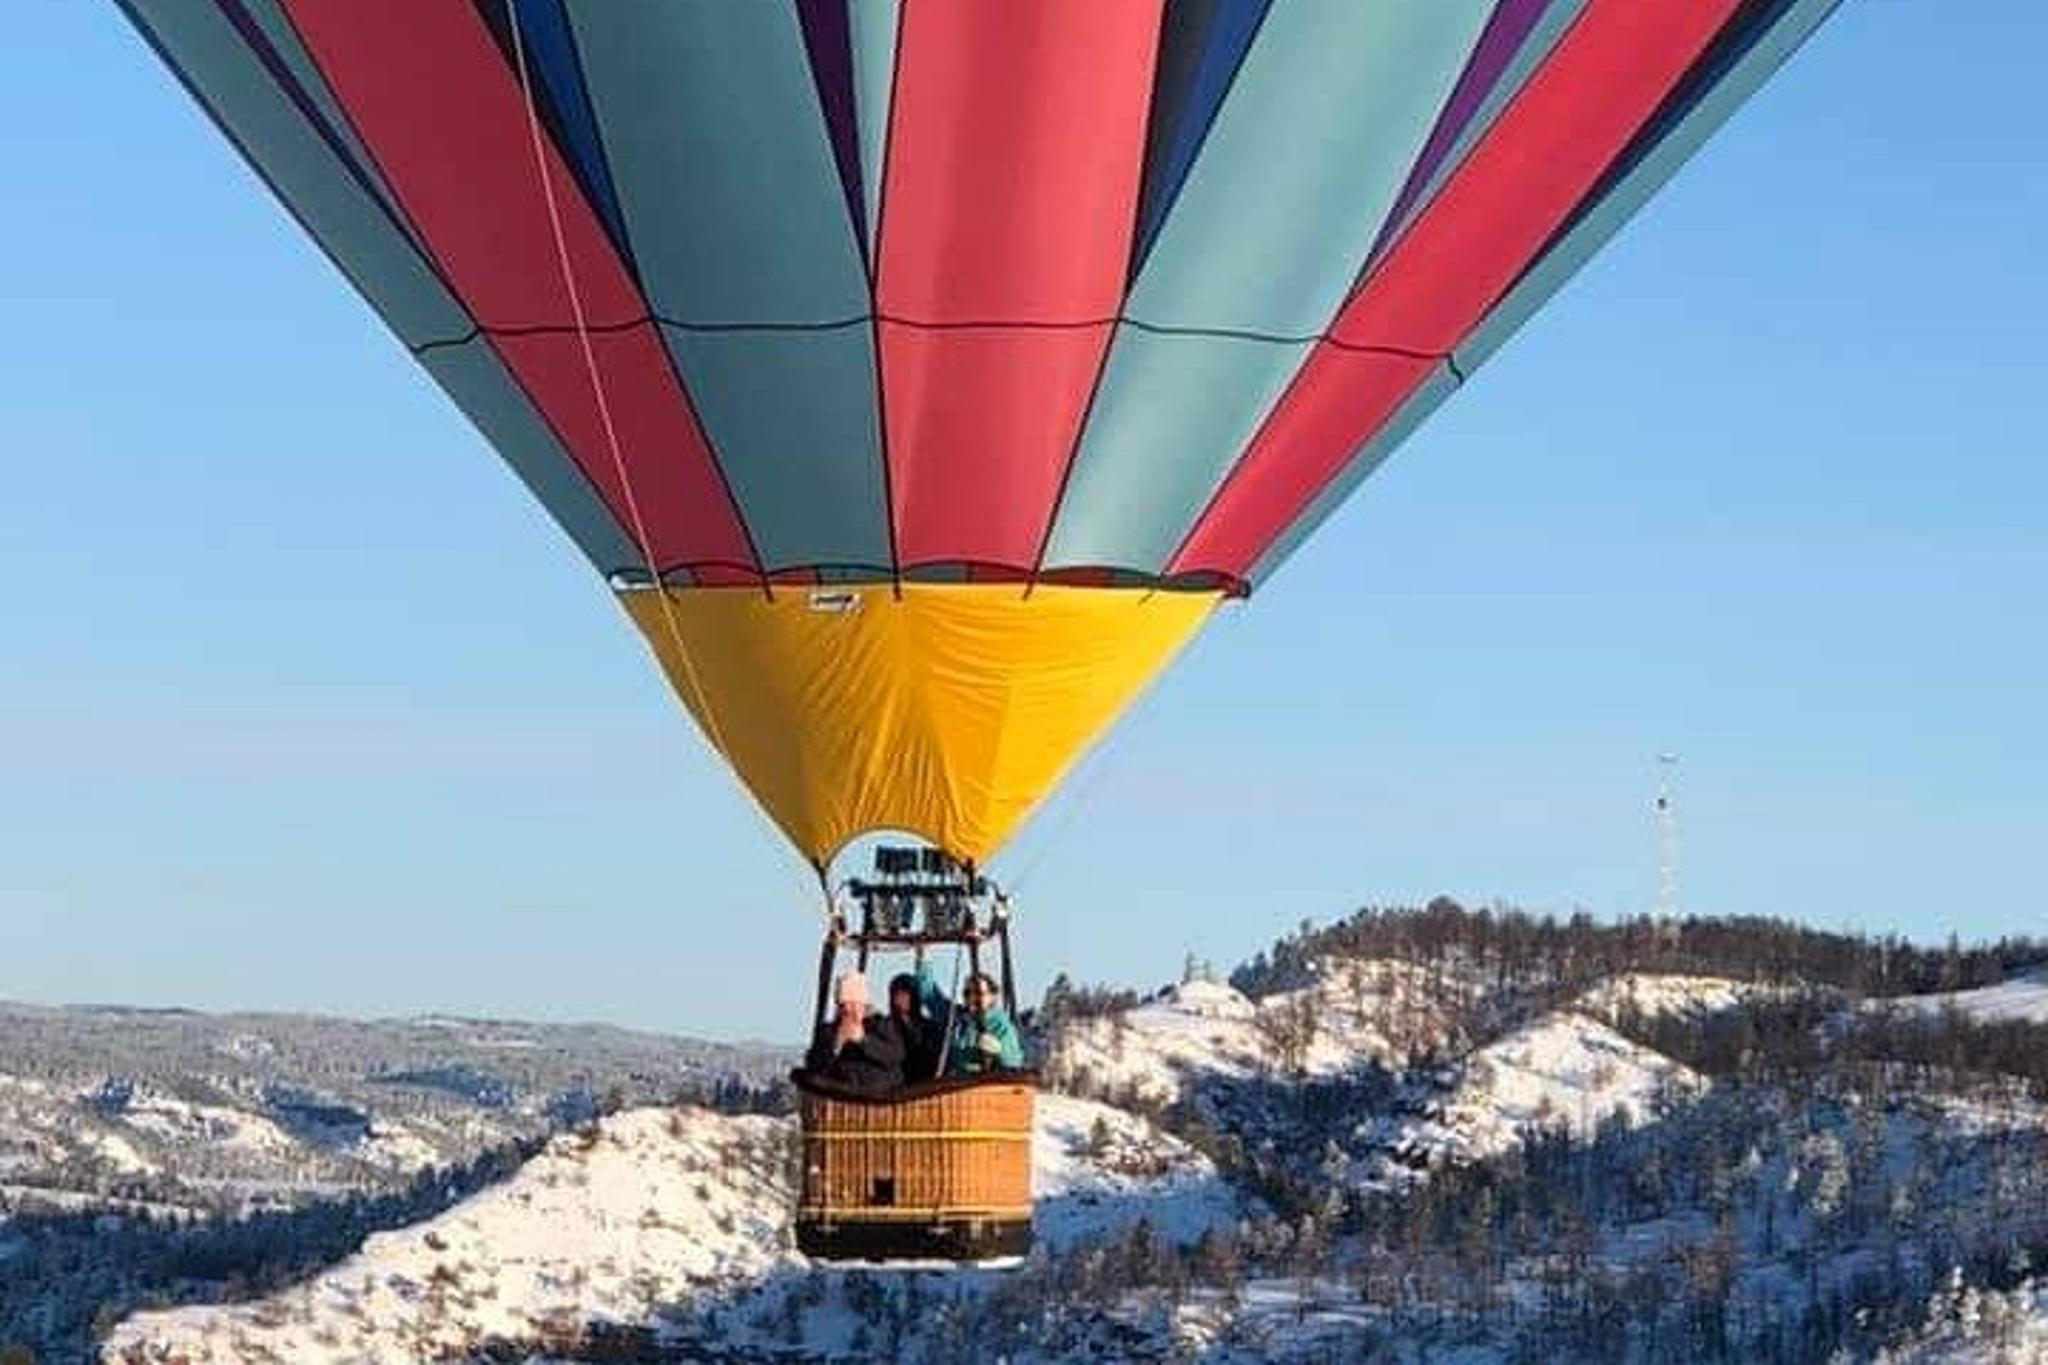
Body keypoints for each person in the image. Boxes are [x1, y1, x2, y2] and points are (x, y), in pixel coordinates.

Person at [803, 971, 904, 1094]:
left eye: (852, 1003)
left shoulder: (882, 1025)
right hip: (841, 1096)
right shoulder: (827, 1031)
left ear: (864, 1004)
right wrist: (836, 1046)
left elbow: (896, 1055)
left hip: (878, 1094)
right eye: (842, 1005)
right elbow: (814, 1065)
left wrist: (863, 1040)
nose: (847, 1009)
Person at [915, 965, 1025, 1075]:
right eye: (967, 993)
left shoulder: (1000, 1024)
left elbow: (1014, 1061)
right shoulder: (957, 1018)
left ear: (992, 996)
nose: (972, 998)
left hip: (991, 1085)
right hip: (960, 1084)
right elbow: (931, 996)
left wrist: (1000, 1051)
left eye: (978, 993)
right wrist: (923, 961)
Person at [888, 971, 943, 1082]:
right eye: (898, 994)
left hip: (924, 1085)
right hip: (896, 1085)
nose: (903, 998)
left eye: (907, 994)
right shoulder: (886, 1027)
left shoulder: (930, 1028)